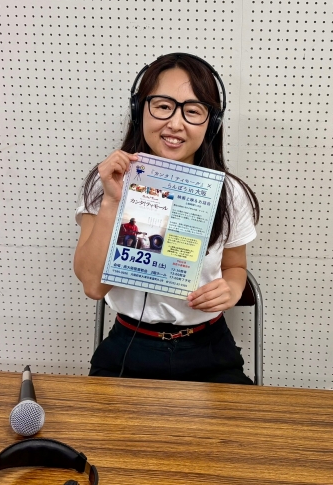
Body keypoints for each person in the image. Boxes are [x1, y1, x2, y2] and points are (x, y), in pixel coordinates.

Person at [74, 53, 260, 384]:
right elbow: (93, 285)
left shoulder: (229, 193)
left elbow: (235, 266)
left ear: (212, 122)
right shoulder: (106, 183)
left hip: (209, 348)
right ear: (139, 110)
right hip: (128, 346)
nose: (175, 123)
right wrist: (113, 202)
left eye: (193, 111)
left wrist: (231, 289)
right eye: (163, 106)